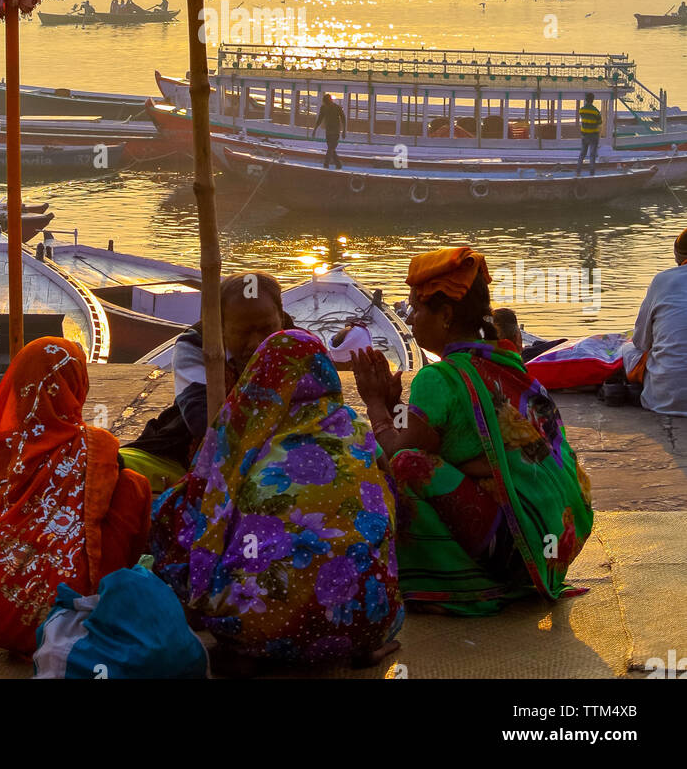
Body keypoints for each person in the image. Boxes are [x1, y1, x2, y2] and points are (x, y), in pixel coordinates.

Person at [351, 245, 593, 616]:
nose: (410, 319)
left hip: (519, 549)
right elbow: (443, 437)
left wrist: (375, 405)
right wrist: (396, 409)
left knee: (407, 466)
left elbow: (396, 453)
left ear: (445, 315)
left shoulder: (439, 376)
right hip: (561, 541)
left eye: (416, 308)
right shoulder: (504, 361)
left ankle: (467, 584)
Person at [149, 329, 404, 667]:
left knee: (174, 511)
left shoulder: (242, 434)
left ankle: (253, 645)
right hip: (367, 622)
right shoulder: (355, 430)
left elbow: (200, 501)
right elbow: (391, 508)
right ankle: (354, 641)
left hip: (254, 629)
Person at [0, 338, 151, 655]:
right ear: (76, 385)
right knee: (132, 487)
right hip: (63, 620)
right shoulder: (96, 449)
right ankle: (97, 601)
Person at [123, 273, 290, 492]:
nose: (257, 342)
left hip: (282, 458)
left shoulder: (298, 345)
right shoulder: (196, 344)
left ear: (282, 320)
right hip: (186, 455)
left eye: (266, 329)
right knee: (112, 466)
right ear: (220, 327)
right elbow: (200, 418)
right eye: (243, 332)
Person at [627, 229, 687, 415]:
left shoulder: (662, 280)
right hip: (666, 398)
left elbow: (641, 342)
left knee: (628, 348)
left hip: (665, 399)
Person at [314, 92, 346, 169]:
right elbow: (320, 119)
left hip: (336, 131)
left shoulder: (337, 108)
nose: (326, 104)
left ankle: (326, 165)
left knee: (331, 148)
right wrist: (314, 129)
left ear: (330, 101)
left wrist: (344, 131)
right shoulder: (323, 107)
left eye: (327, 103)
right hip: (328, 132)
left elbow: (343, 119)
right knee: (331, 149)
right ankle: (338, 164)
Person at [577, 94, 602, 176]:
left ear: (586, 99)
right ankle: (592, 173)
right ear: (593, 100)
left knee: (582, 154)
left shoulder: (581, 110)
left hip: (584, 134)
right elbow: (599, 122)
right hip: (593, 135)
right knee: (592, 155)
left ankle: (578, 171)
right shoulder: (596, 111)